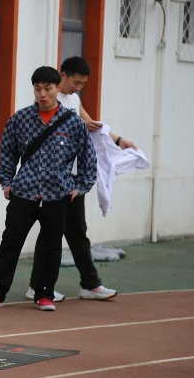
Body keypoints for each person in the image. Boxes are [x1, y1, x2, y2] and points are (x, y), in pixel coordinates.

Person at [0, 65, 96, 311]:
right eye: (38, 89)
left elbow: (88, 157)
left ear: (57, 88)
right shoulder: (20, 119)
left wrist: (80, 187)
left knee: (52, 247)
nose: (42, 94)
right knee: (10, 242)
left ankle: (44, 294)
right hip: (24, 191)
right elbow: (7, 151)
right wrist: (7, 181)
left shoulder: (74, 123)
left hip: (57, 194)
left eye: (48, 88)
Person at [26, 57, 131, 302]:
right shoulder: (48, 99)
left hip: (73, 178)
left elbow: (91, 123)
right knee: (52, 232)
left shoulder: (74, 100)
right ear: (62, 76)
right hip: (54, 178)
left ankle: (90, 284)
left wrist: (118, 140)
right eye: (76, 82)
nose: (78, 88)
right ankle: (38, 286)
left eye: (83, 84)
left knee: (76, 232)